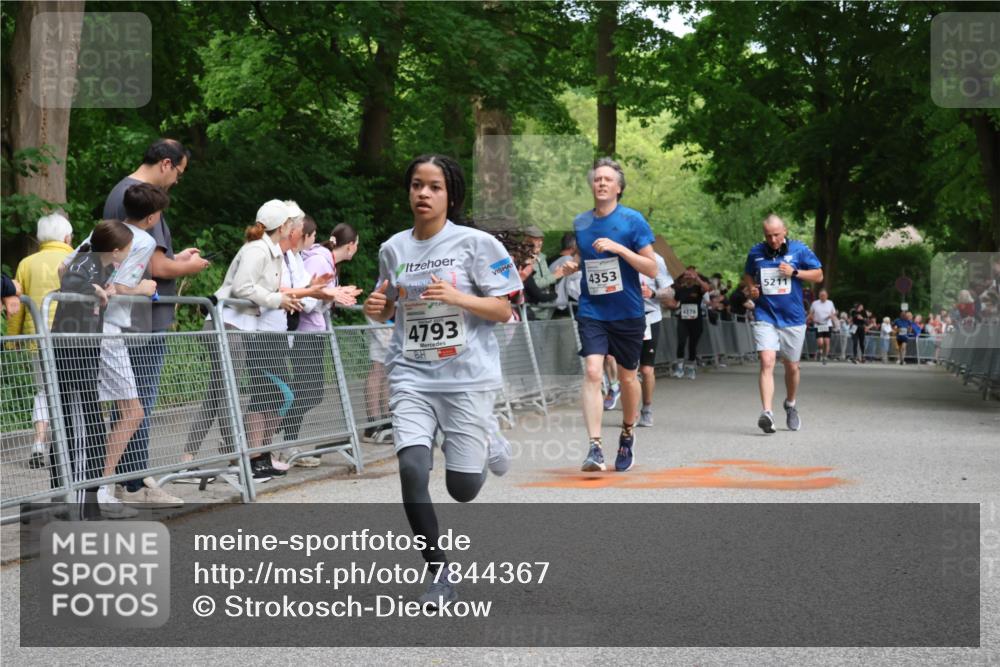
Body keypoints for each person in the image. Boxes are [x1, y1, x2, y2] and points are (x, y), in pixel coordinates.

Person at [362, 154, 522, 608]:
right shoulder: (393, 248)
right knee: (412, 470)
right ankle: (440, 574)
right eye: (416, 185)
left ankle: (489, 436)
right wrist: (379, 307)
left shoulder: (478, 244)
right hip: (411, 374)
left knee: (463, 490)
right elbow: (388, 304)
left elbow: (504, 309)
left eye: (434, 187)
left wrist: (458, 296)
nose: (423, 194)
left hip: (467, 378)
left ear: (450, 194)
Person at [103, 139, 210, 503]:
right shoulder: (141, 197)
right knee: (138, 403)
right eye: (179, 172)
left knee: (129, 404)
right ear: (166, 164)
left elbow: (146, 258)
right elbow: (155, 266)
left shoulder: (124, 193)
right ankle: (134, 483)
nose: (177, 180)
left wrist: (176, 257)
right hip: (140, 321)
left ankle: (121, 481)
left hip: (131, 319)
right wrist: (187, 266)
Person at [187, 200, 303, 482]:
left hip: (236, 328)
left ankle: (195, 460)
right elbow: (242, 287)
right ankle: (238, 459)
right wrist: (278, 299)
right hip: (228, 326)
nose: (292, 228)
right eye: (290, 223)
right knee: (225, 396)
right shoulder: (256, 249)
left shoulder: (268, 250)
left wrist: (280, 298)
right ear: (283, 226)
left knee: (219, 396)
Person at [570, 157, 657, 473]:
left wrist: (619, 249)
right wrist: (571, 266)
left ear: (619, 188)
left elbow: (652, 267)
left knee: (627, 377)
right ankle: (594, 446)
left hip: (627, 312)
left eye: (608, 179)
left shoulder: (633, 221)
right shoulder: (580, 223)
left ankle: (627, 432)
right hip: (593, 309)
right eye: (597, 179)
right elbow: (585, 261)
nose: (602, 183)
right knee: (593, 371)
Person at [50, 221, 132, 514]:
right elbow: (70, 280)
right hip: (72, 353)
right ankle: (77, 500)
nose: (130, 252)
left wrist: (105, 288)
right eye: (127, 248)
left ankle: (80, 500)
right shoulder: (87, 261)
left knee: (86, 425)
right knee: (81, 426)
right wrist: (94, 288)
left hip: (86, 352)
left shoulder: (103, 266)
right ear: (114, 250)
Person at [273, 212, 358, 465]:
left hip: (314, 333)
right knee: (307, 392)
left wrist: (335, 294)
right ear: (351, 245)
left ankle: (286, 442)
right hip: (305, 334)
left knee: (310, 392)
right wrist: (332, 295)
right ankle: (281, 440)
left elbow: (316, 296)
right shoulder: (319, 261)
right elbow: (307, 300)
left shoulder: (326, 261)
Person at [742, 214, 823, 434]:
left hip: (793, 318)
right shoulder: (756, 252)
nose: (773, 240)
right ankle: (767, 413)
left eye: (777, 235)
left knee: (792, 366)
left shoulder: (799, 249)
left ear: (785, 231)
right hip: (765, 315)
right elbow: (748, 276)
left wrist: (795, 272)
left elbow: (819, 275)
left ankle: (790, 404)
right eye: (768, 236)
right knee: (767, 361)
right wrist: (752, 289)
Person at [8, 212, 74, 468]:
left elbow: (16, 305)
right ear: (67, 236)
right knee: (74, 393)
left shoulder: (27, 263)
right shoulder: (75, 259)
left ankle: (38, 443)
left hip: (38, 338)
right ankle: (67, 449)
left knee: (44, 391)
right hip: (72, 338)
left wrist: (14, 338)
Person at [636, 252, 673, 426]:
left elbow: (669, 292)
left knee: (645, 369)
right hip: (623, 318)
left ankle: (647, 408)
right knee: (626, 369)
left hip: (649, 317)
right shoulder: (617, 254)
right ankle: (631, 410)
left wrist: (652, 293)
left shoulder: (656, 259)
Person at [671, 266, 711, 379]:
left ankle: (691, 367)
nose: (688, 278)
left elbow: (707, 288)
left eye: (690, 276)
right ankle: (679, 366)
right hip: (683, 319)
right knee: (681, 342)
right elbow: (674, 302)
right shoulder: (680, 290)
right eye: (686, 276)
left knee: (693, 344)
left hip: (696, 320)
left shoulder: (698, 288)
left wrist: (697, 278)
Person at [807, 289, 836, 365]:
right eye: (821, 295)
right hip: (818, 324)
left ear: (827, 296)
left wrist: (831, 316)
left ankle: (825, 357)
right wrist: (813, 320)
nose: (822, 297)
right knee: (820, 342)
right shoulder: (815, 303)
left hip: (827, 325)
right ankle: (820, 351)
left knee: (826, 342)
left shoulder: (830, 303)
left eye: (824, 295)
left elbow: (834, 313)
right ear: (819, 296)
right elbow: (811, 314)